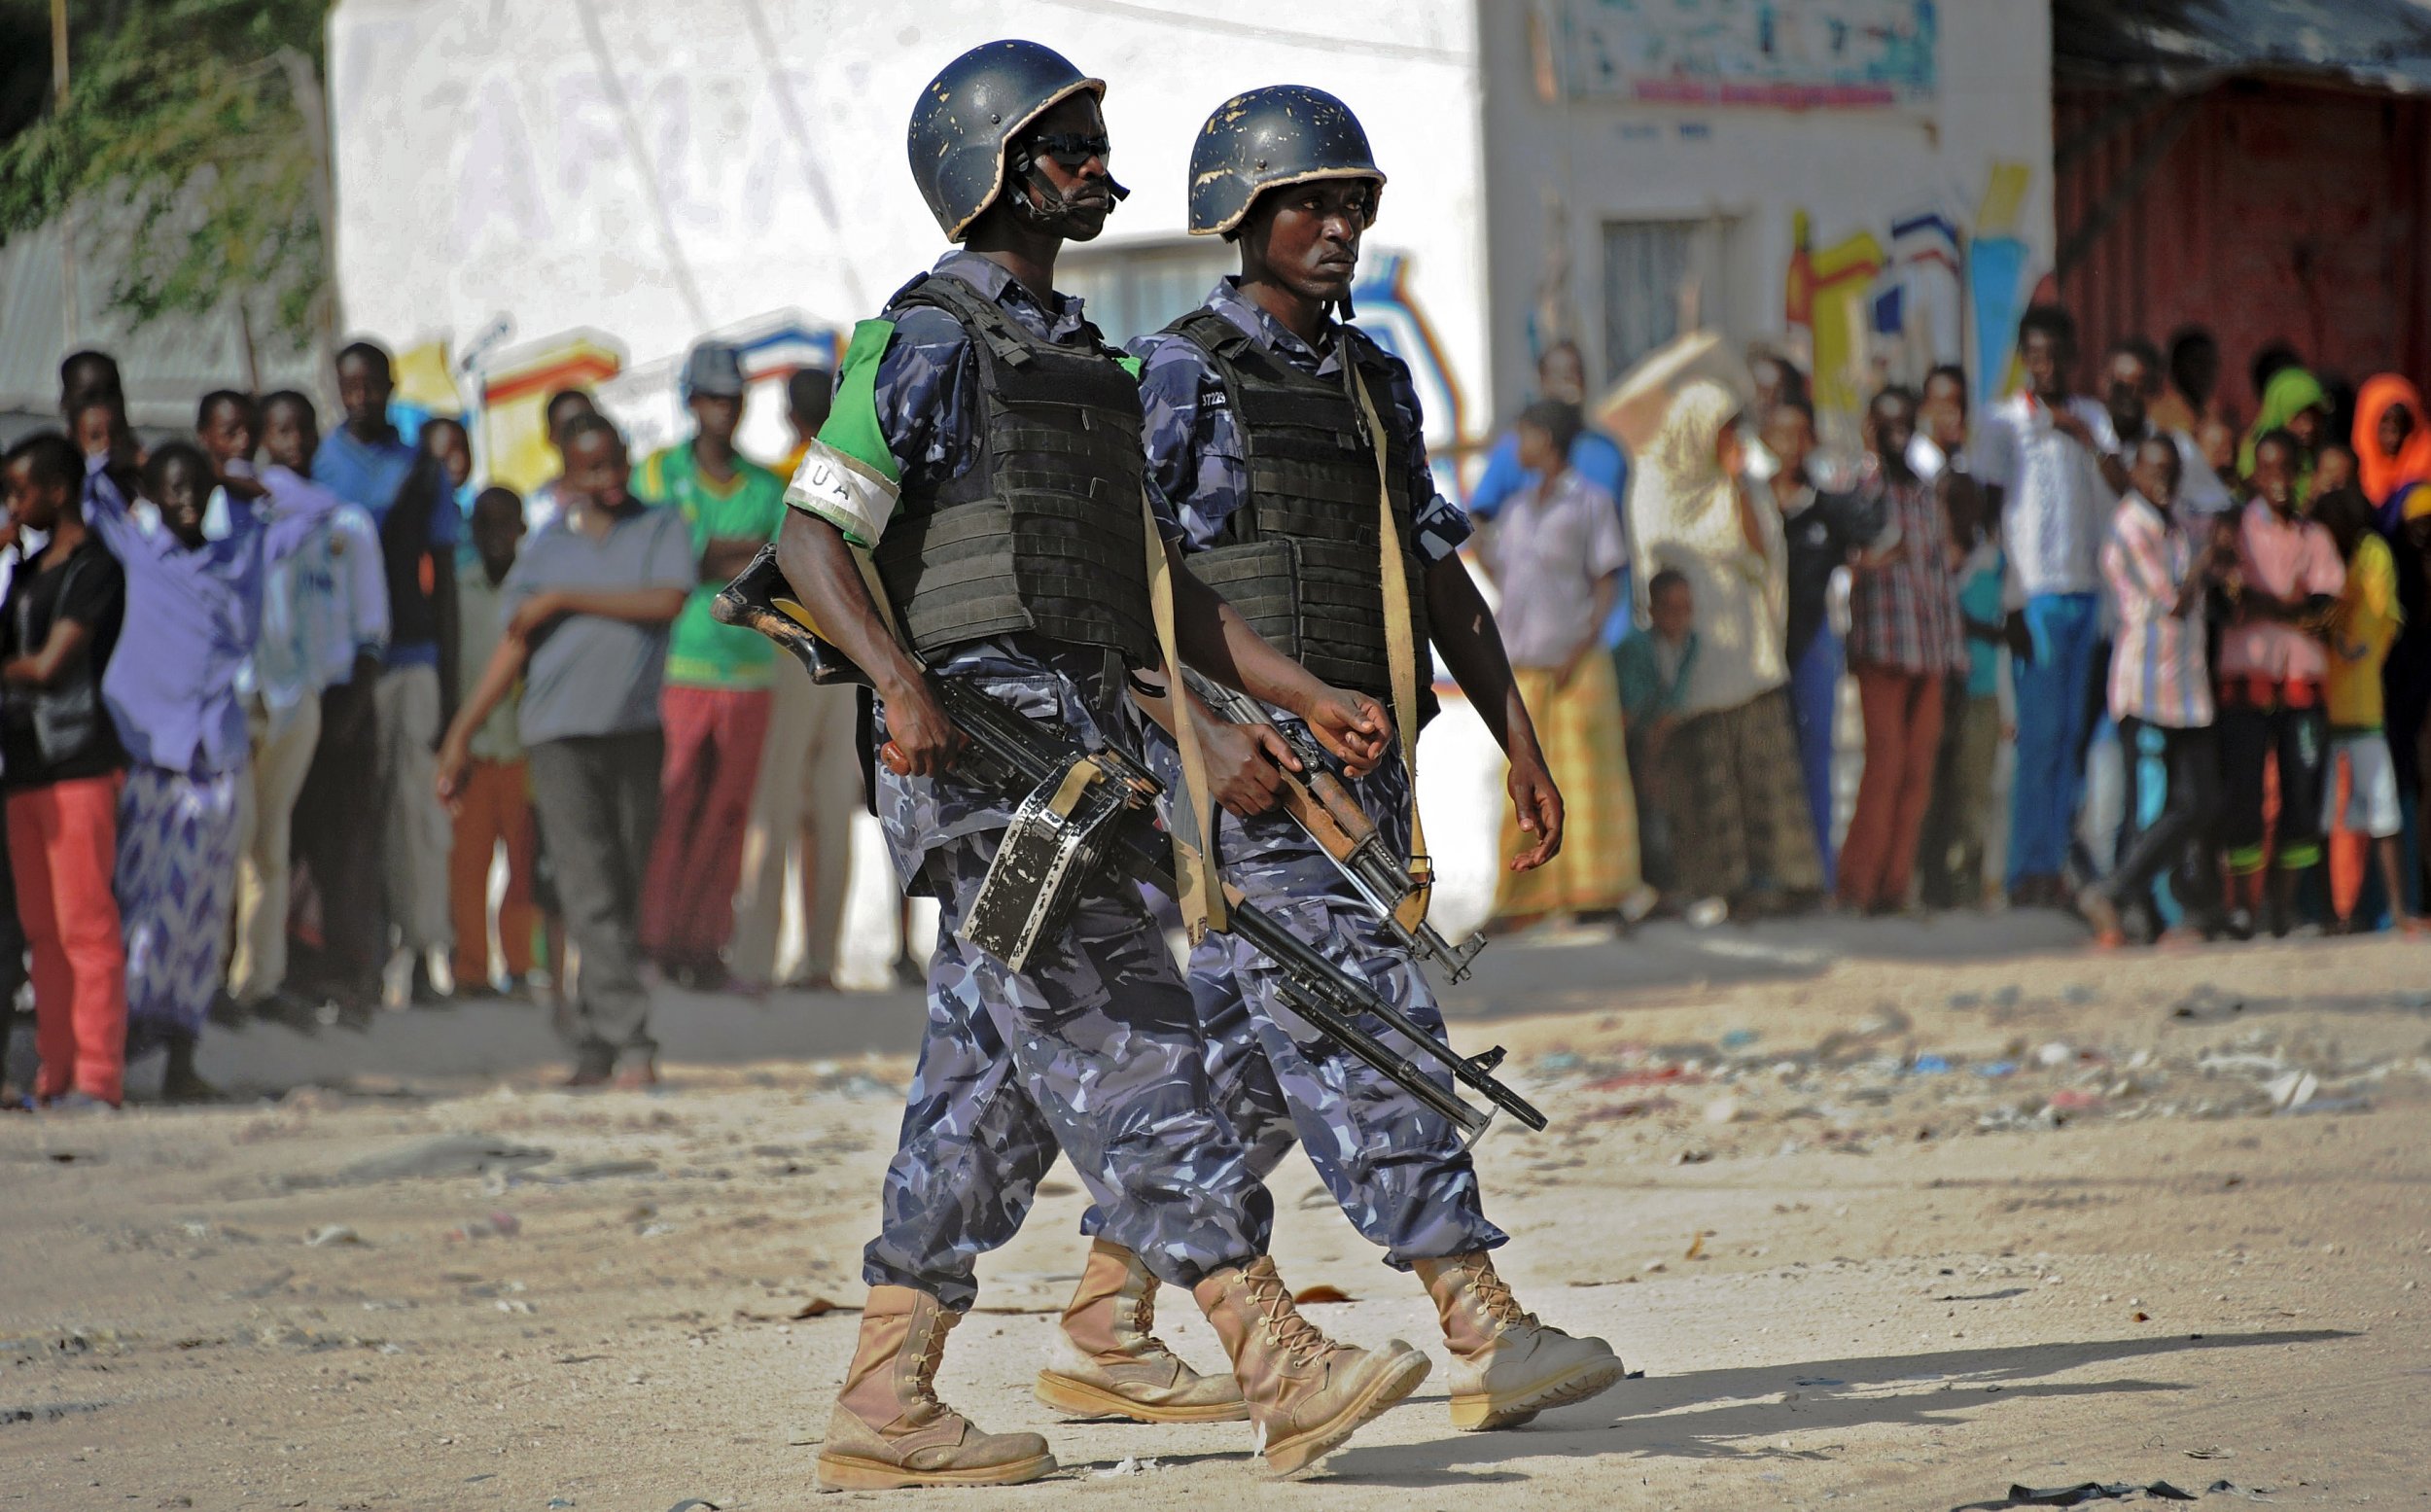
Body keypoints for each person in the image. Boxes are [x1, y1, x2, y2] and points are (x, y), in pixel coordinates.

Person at [774, 47, 1419, 1488]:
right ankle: (1275, 1354)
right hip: (985, 761)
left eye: (1091, 137)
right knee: (1132, 1039)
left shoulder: (1088, 358)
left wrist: (1279, 693)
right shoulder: (931, 338)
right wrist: (895, 683)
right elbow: (811, 535)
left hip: (1087, 756)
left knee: (988, 1080)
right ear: (991, 165)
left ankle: (886, 1395)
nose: (1089, 159)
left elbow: (1159, 587)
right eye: (1061, 140)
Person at [1084, 88, 1622, 1439]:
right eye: (1309, 204)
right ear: (1243, 216)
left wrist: (1522, 744)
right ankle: (1474, 1313)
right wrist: (1207, 735)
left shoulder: (1368, 378)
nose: (1338, 228)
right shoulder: (1181, 373)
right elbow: (1125, 585)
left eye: (1354, 204)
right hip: (1251, 778)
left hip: (1362, 775)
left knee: (1239, 1060)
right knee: (1363, 1006)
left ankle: (1105, 1307)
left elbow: (1439, 574)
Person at [438, 415, 687, 1081]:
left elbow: (666, 600)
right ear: (567, 475)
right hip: (556, 735)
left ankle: (593, 1036)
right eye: (590, 470)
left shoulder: (660, 526)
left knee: (626, 879)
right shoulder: (545, 545)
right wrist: (462, 734)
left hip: (634, 730)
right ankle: (630, 1037)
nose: (606, 480)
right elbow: (514, 640)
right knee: (586, 883)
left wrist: (565, 600)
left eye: (614, 465)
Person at [87, 440, 335, 1099]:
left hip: (216, 757)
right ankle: (113, 1050)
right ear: (153, 495)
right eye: (174, 488)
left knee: (200, 917)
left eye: (198, 487)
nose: (189, 499)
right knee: (140, 908)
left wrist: (242, 478)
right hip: (153, 758)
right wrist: (116, 462)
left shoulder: (245, 550)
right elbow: (91, 492)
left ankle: (181, 1058)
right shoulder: (140, 551)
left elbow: (320, 508)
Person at [1634, 379, 1824, 920]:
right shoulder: (1656, 484)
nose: (1730, 442)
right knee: (1706, 780)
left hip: (1746, 658)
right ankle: (1716, 885)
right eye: (1721, 432)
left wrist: (1740, 485)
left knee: (1764, 775)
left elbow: (1764, 555)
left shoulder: (1743, 486)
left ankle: (1784, 881)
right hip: (1694, 659)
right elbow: (1656, 569)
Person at [630, 341, 789, 987]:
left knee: (727, 816)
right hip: (679, 669)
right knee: (671, 807)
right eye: (712, 397)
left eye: (733, 397)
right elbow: (672, 561)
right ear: (691, 401)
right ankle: (656, 939)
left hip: (749, 671)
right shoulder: (656, 472)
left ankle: (704, 945)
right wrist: (734, 554)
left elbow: (777, 567)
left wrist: (711, 553)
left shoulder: (767, 484)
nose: (723, 409)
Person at [195, 392, 353, 1015]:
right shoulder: (200, 509)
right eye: (226, 433)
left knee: (269, 844)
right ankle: (203, 978)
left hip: (287, 691)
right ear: (205, 435)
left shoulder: (279, 505)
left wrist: (252, 487)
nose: (238, 445)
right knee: (223, 844)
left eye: (247, 433)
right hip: (227, 697)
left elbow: (321, 504)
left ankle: (256, 981)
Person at [316, 342, 462, 1006]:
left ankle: (425, 952)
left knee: (416, 815)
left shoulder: (422, 471)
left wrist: (453, 682)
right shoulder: (320, 467)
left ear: (389, 386)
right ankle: (356, 960)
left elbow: (446, 584)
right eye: (351, 386)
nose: (363, 396)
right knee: (351, 819)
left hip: (413, 659)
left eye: (373, 385)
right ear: (338, 389)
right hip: (342, 669)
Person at [0, 433, 128, 1109]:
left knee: (86, 924)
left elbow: (53, 665)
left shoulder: (95, 568)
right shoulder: (24, 574)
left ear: (57, 488)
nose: (12, 507)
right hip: (25, 767)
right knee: (43, 931)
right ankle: (57, 1072)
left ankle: (99, 1075)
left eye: (21, 491)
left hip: (77, 761)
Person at [1975, 306, 2117, 907]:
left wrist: (2084, 439)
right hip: (2035, 596)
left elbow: (2120, 482)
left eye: (2057, 355)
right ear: (2024, 359)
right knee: (2037, 737)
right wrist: (2008, 599)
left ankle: (2055, 861)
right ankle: (2023, 870)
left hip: (2089, 594)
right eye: (2037, 355)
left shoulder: (2092, 419)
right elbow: (1987, 514)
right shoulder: (2004, 423)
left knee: (2070, 740)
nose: (2048, 366)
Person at [1485, 399, 1644, 925]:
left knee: (1588, 781)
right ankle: (1525, 899)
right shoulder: (1516, 508)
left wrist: (1580, 646)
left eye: (1524, 437)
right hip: (1523, 668)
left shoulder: (1591, 503)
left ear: (1547, 441)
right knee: (1522, 782)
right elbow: (1503, 570)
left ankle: (1595, 895)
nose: (1516, 449)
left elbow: (1606, 582)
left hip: (1577, 666)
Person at [733, 367, 863, 993]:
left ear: (788, 416)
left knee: (775, 811)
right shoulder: (858, 473)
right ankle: (821, 962)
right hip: (853, 656)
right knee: (832, 814)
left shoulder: (783, 479)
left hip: (791, 654)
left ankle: (755, 960)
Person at [2080, 438, 2230, 946]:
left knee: (2200, 799)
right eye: (2154, 470)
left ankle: (2130, 896)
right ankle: (2127, 902)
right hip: (2145, 687)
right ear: (2136, 472)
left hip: (2186, 688)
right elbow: (2173, 602)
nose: (2163, 480)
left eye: (2171, 471)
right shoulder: (2128, 527)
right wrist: (2206, 561)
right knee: (2146, 805)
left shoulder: (2175, 525)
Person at [268, 392, 391, 1008]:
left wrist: (352, 708)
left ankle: (345, 973)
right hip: (270, 703)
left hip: (336, 701)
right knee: (275, 845)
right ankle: (277, 969)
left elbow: (372, 627)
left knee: (339, 845)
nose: (292, 441)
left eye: (302, 429)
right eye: (279, 430)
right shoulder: (250, 523)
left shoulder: (346, 523)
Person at [1837, 387, 1964, 915]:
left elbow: (1938, 577)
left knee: (1917, 774)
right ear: (1871, 427)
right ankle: (1857, 886)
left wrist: (1953, 651)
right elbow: (1847, 563)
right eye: (1886, 424)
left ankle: (1895, 885)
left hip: (1928, 650)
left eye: (1904, 425)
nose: (1896, 434)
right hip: (1882, 647)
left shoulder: (1924, 493)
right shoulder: (1858, 489)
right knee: (1883, 767)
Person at [2218, 431, 2345, 935]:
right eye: (2268, 470)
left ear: (2301, 476)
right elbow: (2231, 603)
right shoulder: (2236, 531)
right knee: (2244, 795)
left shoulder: (2315, 538)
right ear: (2255, 474)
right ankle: (2244, 905)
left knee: (2303, 794)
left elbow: (2326, 614)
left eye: (2288, 469)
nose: (2279, 481)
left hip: (2302, 687)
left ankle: (2284, 907)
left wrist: (2267, 606)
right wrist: (2291, 606)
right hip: (2246, 684)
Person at [1768, 394, 1880, 886]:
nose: (1790, 446)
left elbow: (1877, 540)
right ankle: (1773, 876)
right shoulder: (1751, 504)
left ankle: (1819, 874)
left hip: (1814, 642)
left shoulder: (1827, 507)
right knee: (1770, 763)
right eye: (1780, 435)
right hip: (1764, 650)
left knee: (1817, 755)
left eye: (1799, 435)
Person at [1467, 341, 1632, 638]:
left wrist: (1598, 624)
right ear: (1542, 381)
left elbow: (1615, 551)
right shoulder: (1515, 451)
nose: (1570, 383)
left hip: (1603, 635)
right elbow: (1476, 521)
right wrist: (1506, 583)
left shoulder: (1609, 453)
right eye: (1559, 374)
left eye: (1576, 373)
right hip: (1537, 639)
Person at [445, 487, 542, 995]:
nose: (498, 535)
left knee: (523, 864)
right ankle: (470, 970)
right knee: (467, 866)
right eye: (487, 525)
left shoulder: (537, 590)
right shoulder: (458, 592)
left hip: (524, 748)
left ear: (523, 528)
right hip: (474, 751)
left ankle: (521, 965)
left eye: (508, 524)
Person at [2313, 485, 2420, 933]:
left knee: (2381, 814)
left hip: (2364, 709)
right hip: (2322, 711)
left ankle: (2396, 910)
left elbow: (2382, 621)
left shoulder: (2370, 554)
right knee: (2331, 822)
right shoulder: (2318, 554)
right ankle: (2337, 914)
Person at [1615, 568, 1697, 896]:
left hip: (1660, 736)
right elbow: (1629, 711)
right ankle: (1652, 886)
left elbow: (1673, 704)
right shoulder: (1633, 648)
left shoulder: (1692, 644)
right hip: (1630, 734)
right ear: (1652, 611)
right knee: (1646, 811)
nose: (1678, 617)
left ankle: (1672, 885)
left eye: (1685, 608)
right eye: (1669, 608)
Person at [2098, 337, 2231, 516]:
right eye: (2121, 387)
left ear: (2156, 390)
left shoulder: (2178, 447)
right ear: (2103, 385)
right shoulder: (2087, 441)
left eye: (2140, 388)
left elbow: (2217, 504)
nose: (2129, 398)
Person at [2353, 374, 2431, 536]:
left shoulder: (2426, 463)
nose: (2393, 438)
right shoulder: (2348, 469)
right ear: (2367, 422)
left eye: (2402, 426)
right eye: (2384, 425)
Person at [2238, 365, 2330, 498]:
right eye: (2299, 418)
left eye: (2315, 418)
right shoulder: (2256, 456)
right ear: (2279, 413)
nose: (2309, 428)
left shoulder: (2318, 457)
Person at [524, 389, 599, 535]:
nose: (582, 435)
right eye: (570, 429)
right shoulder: (538, 508)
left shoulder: (619, 491)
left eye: (588, 423)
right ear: (552, 437)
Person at [2150, 325, 2220, 436]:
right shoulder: (2160, 416)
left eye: (2211, 364)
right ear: (2177, 367)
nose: (2206, 372)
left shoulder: (2211, 413)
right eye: (2198, 363)